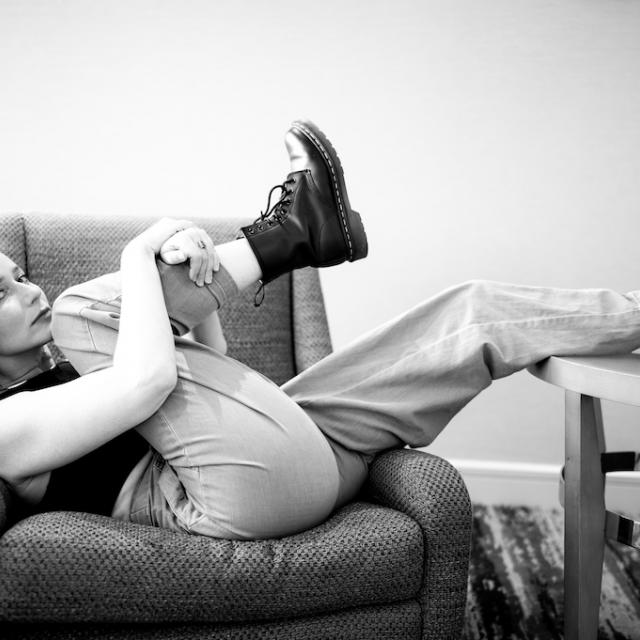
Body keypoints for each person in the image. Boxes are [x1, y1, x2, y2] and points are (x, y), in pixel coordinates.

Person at [2, 120, 640, 540]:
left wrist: (197, 285)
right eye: (0, 293)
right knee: (82, 308)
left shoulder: (77, 366)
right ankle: (290, 236)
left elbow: (213, 365)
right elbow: (149, 382)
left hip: (296, 453)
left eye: (18, 274)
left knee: (469, 310)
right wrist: (140, 256)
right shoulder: (5, 426)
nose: (27, 288)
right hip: (235, 492)